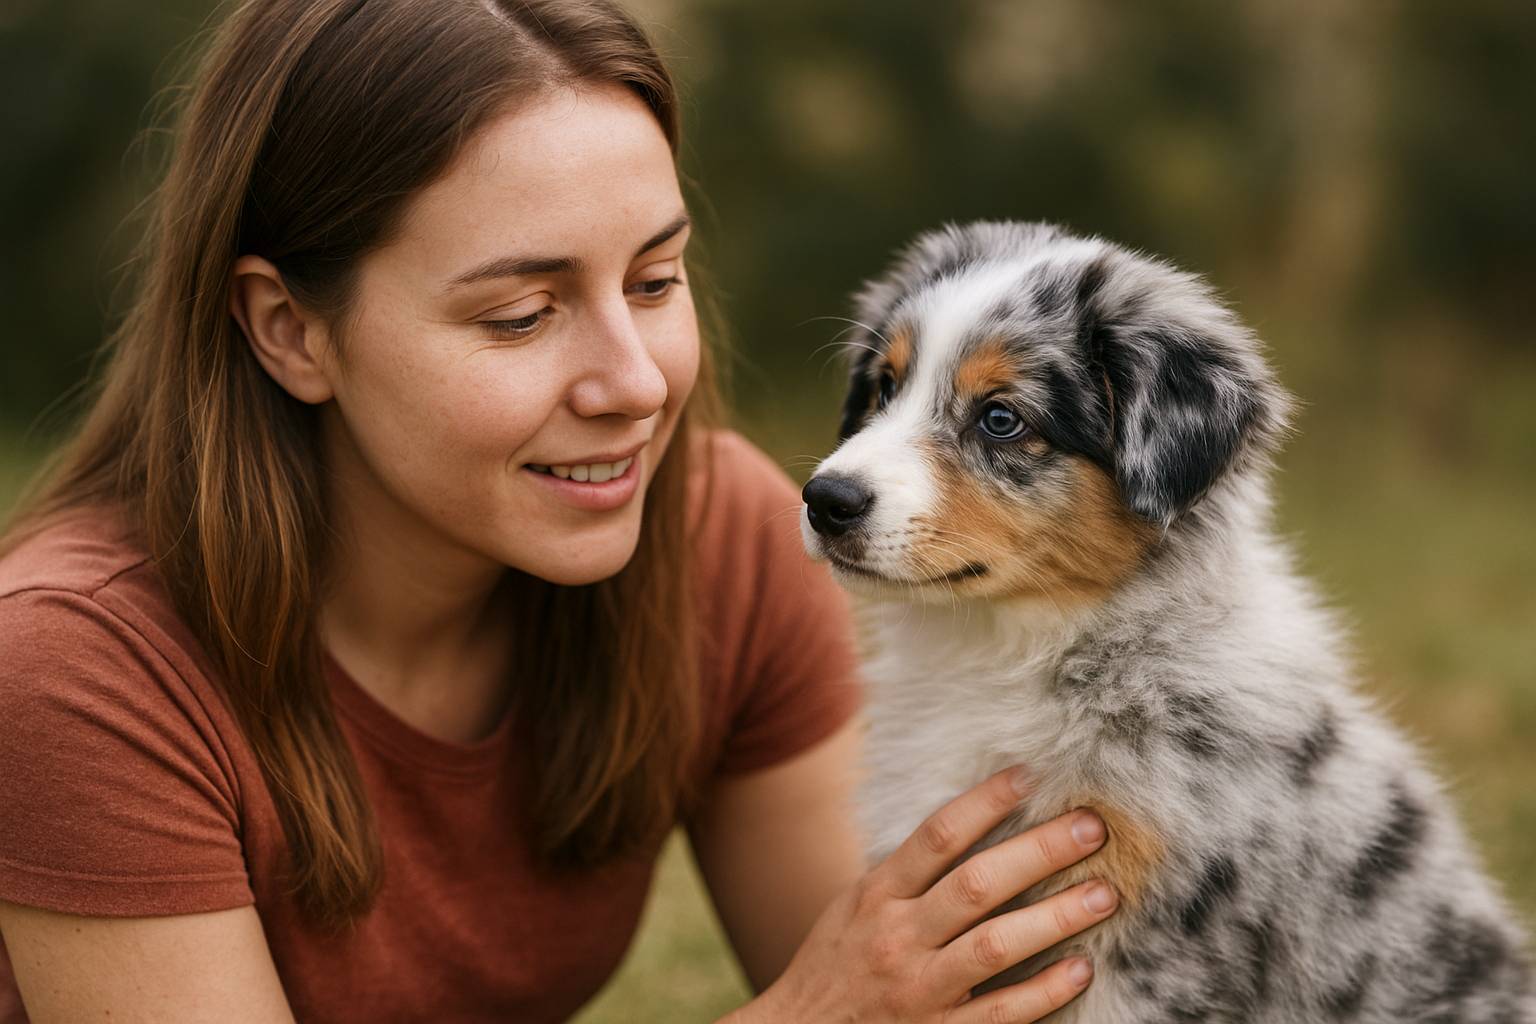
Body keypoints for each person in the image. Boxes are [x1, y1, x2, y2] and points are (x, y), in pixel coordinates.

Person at [0, 1, 1119, 1020]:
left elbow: (910, 981)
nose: (634, 383)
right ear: (290, 330)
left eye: (654, 281)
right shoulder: (75, 670)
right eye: (522, 314)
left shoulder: (719, 537)